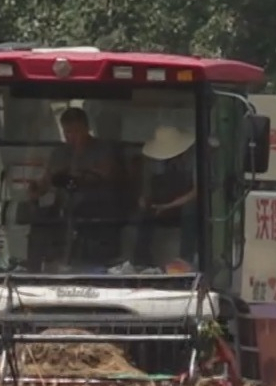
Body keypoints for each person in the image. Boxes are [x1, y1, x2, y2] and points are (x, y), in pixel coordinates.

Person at [28, 108, 124, 268]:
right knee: (37, 224)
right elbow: (46, 181)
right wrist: (36, 189)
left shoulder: (103, 149)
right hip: (62, 209)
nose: (71, 137)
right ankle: (34, 270)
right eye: (67, 132)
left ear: (87, 128)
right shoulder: (59, 153)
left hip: (98, 210)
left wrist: (82, 175)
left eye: (76, 131)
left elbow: (110, 175)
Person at [134, 123, 198, 267]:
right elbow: (148, 187)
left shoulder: (193, 160)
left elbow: (197, 191)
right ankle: (141, 260)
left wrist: (169, 206)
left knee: (191, 211)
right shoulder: (154, 162)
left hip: (186, 202)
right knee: (144, 214)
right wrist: (145, 199)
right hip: (164, 200)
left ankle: (185, 259)